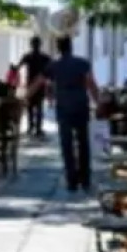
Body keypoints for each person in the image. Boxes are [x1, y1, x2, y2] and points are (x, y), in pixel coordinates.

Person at [29, 35, 99, 193]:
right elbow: (90, 84)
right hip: (81, 104)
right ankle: (85, 178)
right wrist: (98, 102)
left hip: (64, 107)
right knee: (83, 142)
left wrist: (24, 97)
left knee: (66, 144)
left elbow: (38, 82)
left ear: (59, 48)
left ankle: (71, 180)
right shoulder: (83, 63)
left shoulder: (53, 65)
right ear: (71, 46)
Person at [19, 37, 51, 138]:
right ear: (40, 45)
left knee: (30, 107)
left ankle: (31, 127)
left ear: (31, 45)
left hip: (31, 84)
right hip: (40, 84)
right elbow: (52, 66)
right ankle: (38, 128)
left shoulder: (28, 56)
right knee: (39, 107)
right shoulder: (44, 57)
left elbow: (19, 66)